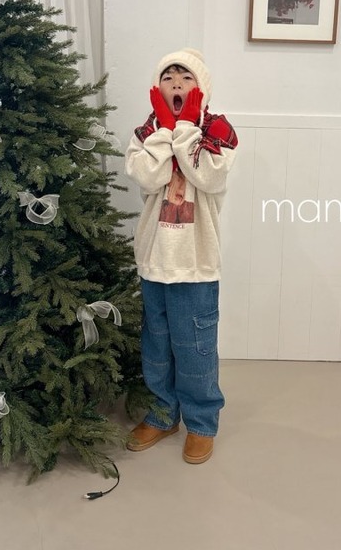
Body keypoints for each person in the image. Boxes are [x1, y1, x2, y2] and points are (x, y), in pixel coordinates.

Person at [124, 48, 238, 464]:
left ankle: (202, 422)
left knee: (195, 346)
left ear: (201, 87)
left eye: (186, 77)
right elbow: (149, 176)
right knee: (156, 344)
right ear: (157, 88)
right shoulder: (146, 133)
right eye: (168, 76)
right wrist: (164, 129)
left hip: (195, 262)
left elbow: (206, 175)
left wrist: (186, 126)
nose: (176, 83)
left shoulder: (217, 131)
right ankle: (162, 413)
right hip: (155, 257)